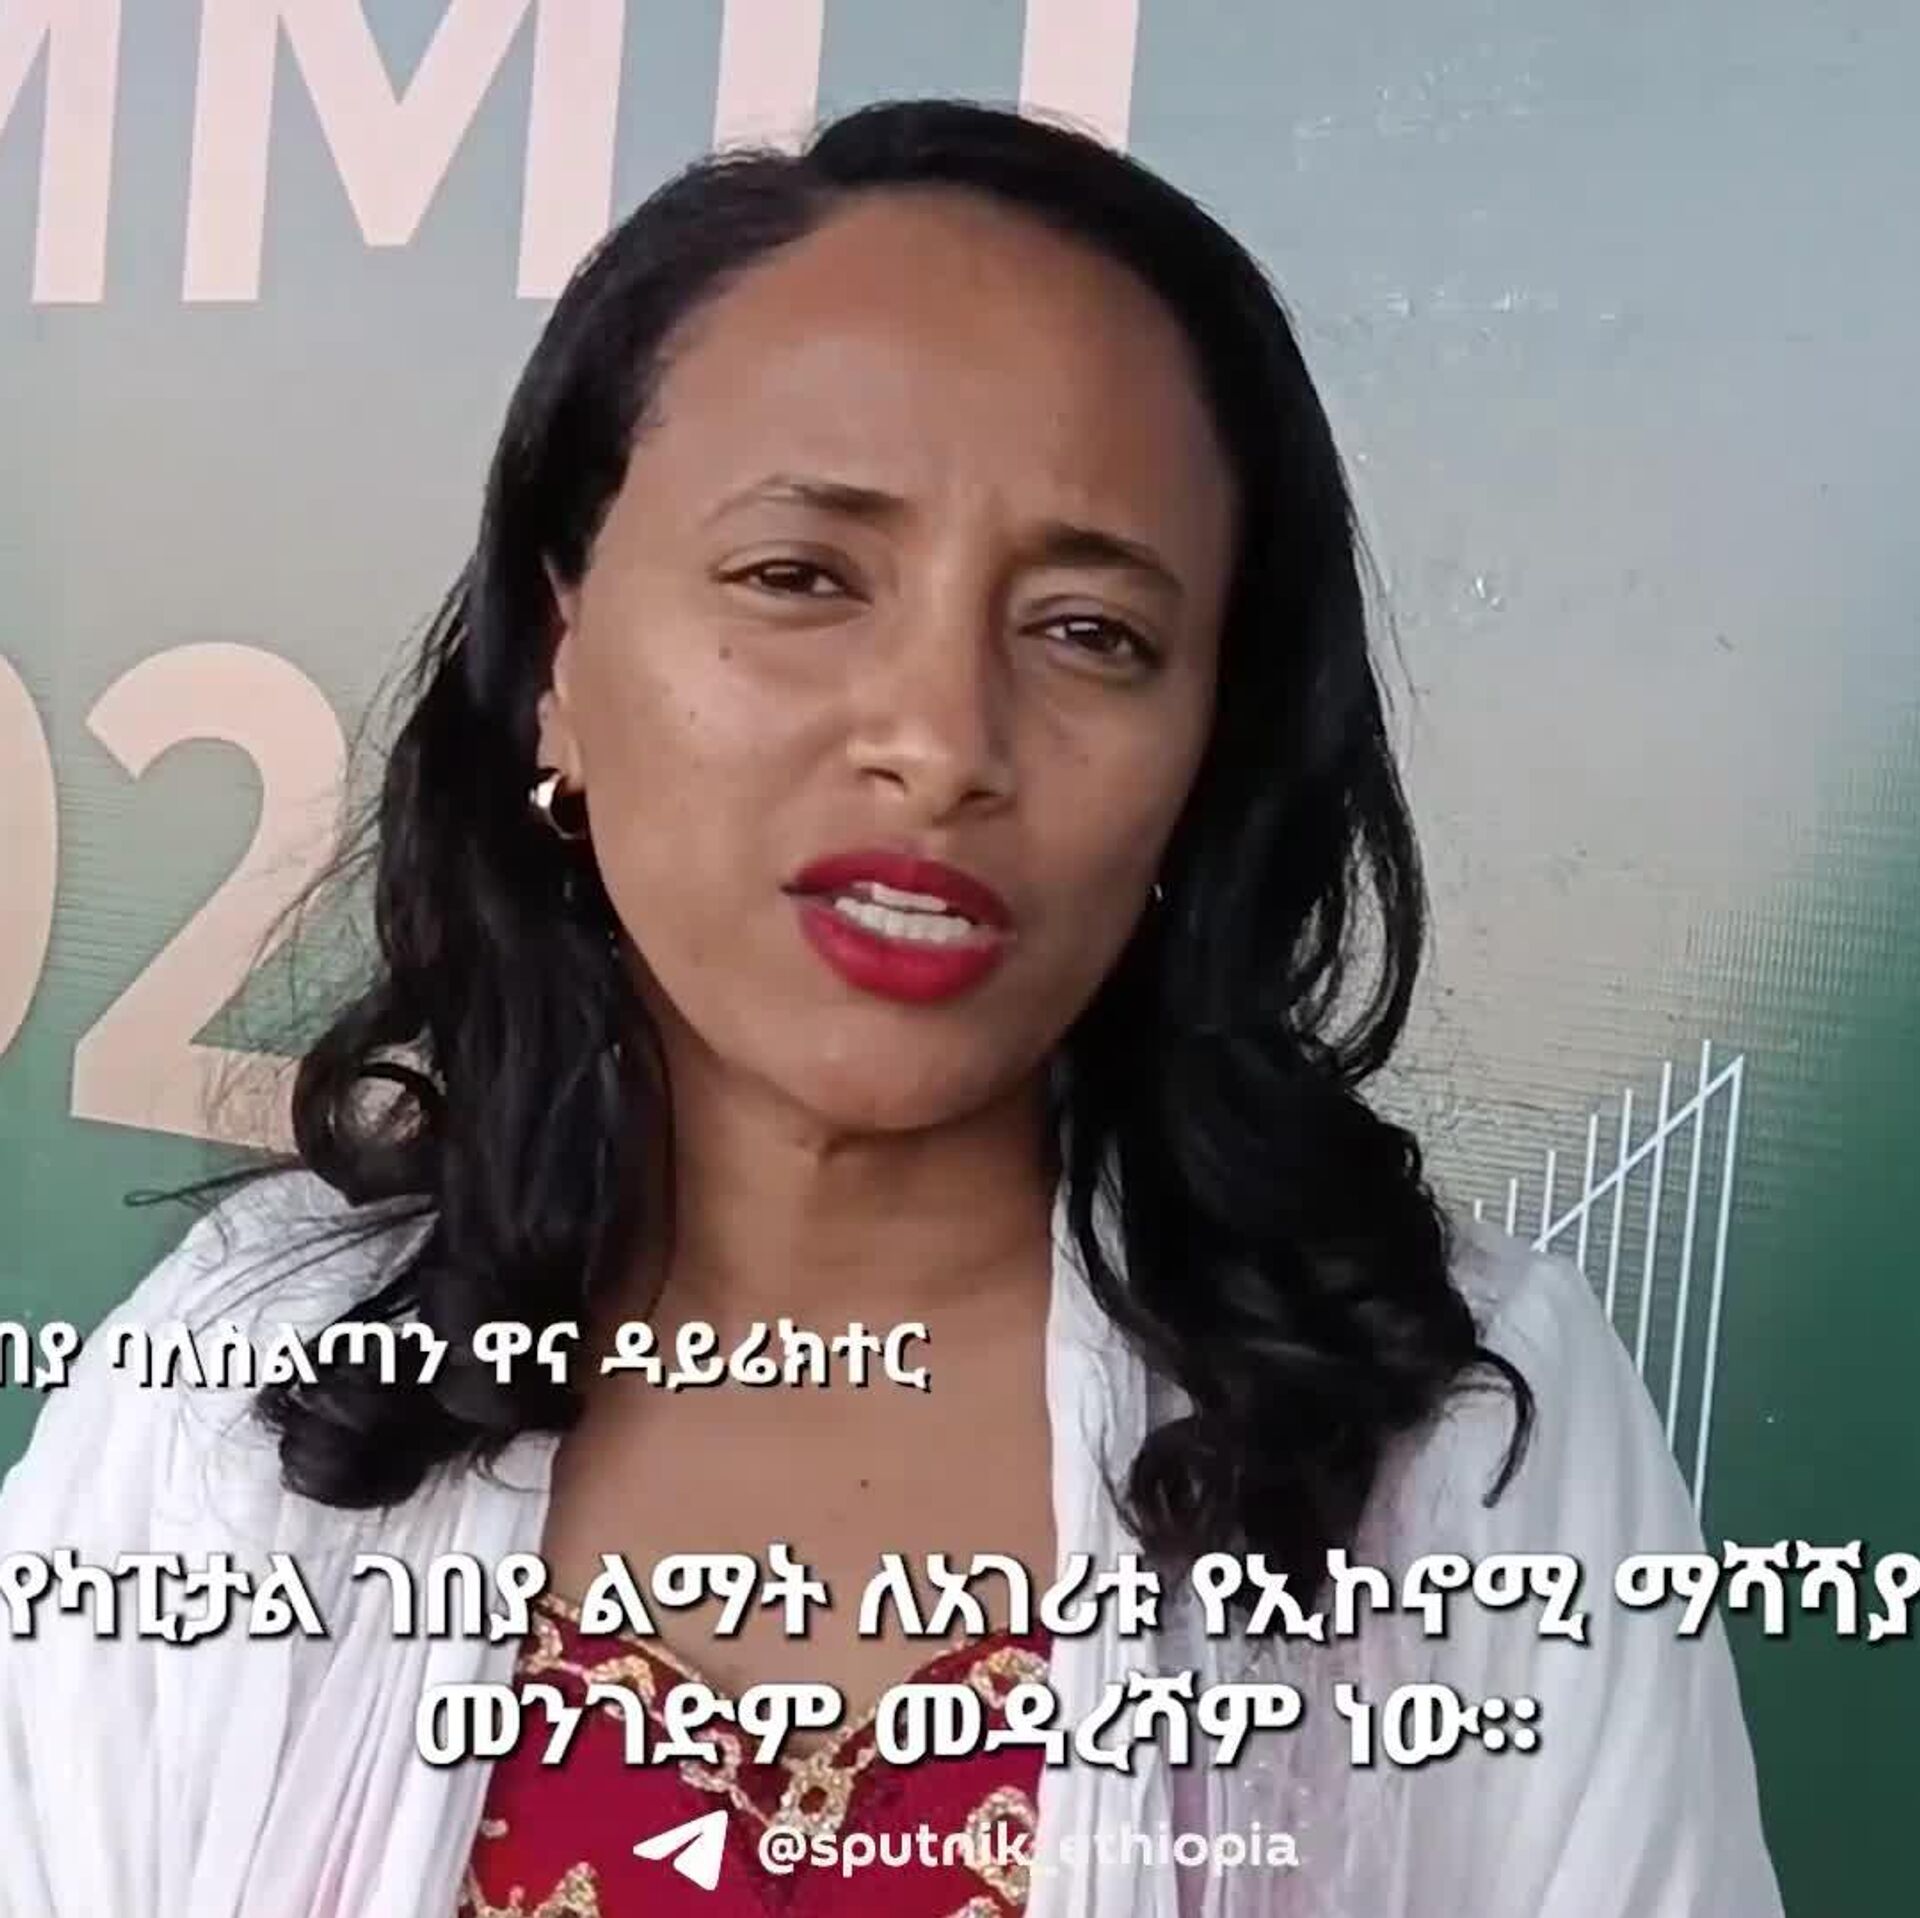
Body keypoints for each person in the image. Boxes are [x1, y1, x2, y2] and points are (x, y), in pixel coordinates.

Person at [0, 98, 1781, 1917]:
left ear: (1207, 757)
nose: (940, 742)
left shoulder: (1454, 1440)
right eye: (800, 578)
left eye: (1090, 631)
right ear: (558, 662)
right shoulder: (237, 1394)